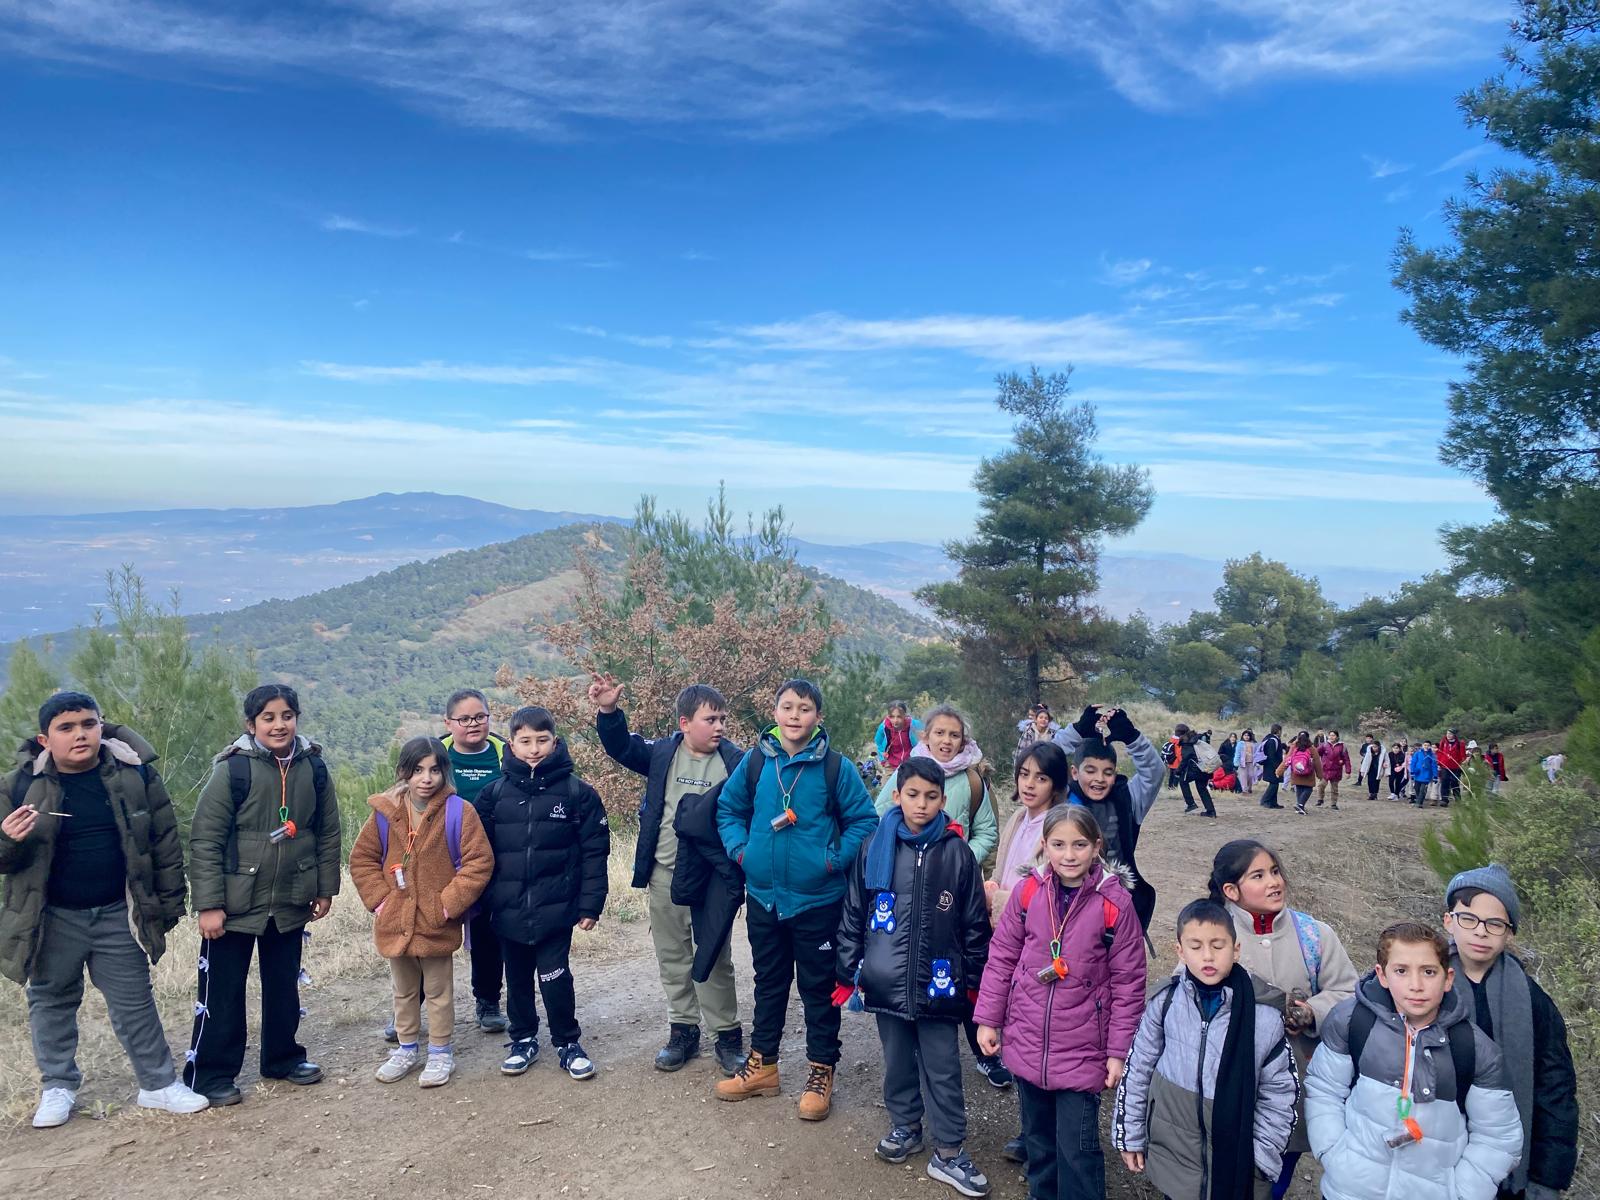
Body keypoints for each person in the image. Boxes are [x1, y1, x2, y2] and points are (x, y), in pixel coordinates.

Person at [1, 693, 207, 1129]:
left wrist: (169, 904)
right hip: (52, 916)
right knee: (51, 1000)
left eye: (88, 724)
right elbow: (5, 862)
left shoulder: (135, 775)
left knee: (135, 1001)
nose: (80, 734)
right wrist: (8, 840)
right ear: (45, 739)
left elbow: (165, 843)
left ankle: (157, 1084)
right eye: (67, 727)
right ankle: (57, 1086)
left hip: (119, 911)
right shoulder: (18, 785)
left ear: (101, 726)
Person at [715, 678, 877, 1120]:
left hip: (817, 900)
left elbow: (864, 820)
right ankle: (763, 1066)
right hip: (764, 897)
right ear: (775, 711)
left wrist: (833, 860)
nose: (794, 715)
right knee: (768, 983)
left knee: (819, 989)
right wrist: (741, 852)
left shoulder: (835, 768)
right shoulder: (754, 763)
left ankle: (821, 1070)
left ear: (817, 717)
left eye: (804, 709)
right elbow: (728, 811)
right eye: (787, 706)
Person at [836, 757, 993, 1197]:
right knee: (897, 1062)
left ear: (944, 800)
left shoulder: (957, 852)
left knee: (943, 1067)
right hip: (885, 980)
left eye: (931, 796)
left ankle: (949, 1150)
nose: (920, 805)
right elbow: (854, 911)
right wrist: (851, 969)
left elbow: (974, 925)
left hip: (941, 983)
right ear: (897, 795)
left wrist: (977, 982)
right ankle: (906, 1126)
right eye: (912, 795)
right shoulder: (874, 845)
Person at [974, 805, 1147, 1200]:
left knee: (1078, 1148)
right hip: (1027, 1039)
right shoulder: (1027, 892)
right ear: (1044, 845)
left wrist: (1118, 1052)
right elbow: (1001, 958)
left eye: (1080, 844)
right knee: (1038, 1141)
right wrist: (988, 1019)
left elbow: (1129, 984)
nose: (1069, 855)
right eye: (1059, 844)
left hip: (1085, 1051)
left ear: (1096, 846)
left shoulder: (1114, 906)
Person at [185, 684, 340, 1107]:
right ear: (250, 724)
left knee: (283, 985)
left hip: (292, 895)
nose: (279, 724)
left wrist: (325, 887)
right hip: (235, 902)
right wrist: (209, 905)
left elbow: (327, 832)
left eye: (286, 715)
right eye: (268, 717)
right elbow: (206, 840)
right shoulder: (232, 770)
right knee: (223, 991)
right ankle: (211, 1075)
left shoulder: (313, 768)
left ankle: (283, 1058)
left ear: (297, 718)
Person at [590, 674, 748, 1075]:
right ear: (684, 723)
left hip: (712, 879)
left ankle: (727, 1036)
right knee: (673, 956)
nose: (719, 727)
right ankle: (683, 1033)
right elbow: (621, 747)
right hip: (664, 874)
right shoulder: (662, 753)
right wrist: (608, 710)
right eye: (710, 719)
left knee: (714, 957)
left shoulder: (738, 761)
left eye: (722, 720)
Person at [1304, 921, 1523, 1200]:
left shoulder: (1474, 1048)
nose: (1416, 985)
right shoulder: (1353, 1022)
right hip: (1349, 1190)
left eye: (1429, 972)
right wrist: (1333, 1152)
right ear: (1382, 975)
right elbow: (1324, 1090)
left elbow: (1497, 1136)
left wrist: (1462, 1193)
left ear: (1448, 978)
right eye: (1401, 971)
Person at [1113, 898, 1300, 1200]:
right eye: (1196, 946)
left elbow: (1279, 1093)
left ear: (1236, 949)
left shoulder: (1262, 1016)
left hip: (1235, 1159)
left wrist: (1262, 1156)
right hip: (1174, 1149)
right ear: (1180, 951)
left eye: (1218, 945)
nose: (1208, 956)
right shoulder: (1165, 1003)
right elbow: (1138, 1069)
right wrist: (1130, 1133)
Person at [1211, 839, 1360, 1199]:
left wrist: (1312, 1012)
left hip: (1296, 1078)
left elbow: (1349, 994)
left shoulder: (1314, 935)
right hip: (1229, 1076)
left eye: (1275, 872)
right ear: (1231, 891)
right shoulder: (1213, 936)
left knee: (1279, 1166)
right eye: (1258, 876)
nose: (1274, 882)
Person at [475, 706, 609, 1082]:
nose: (534, 749)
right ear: (511, 743)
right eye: (525, 741)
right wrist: (480, 903)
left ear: (555, 741)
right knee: (516, 980)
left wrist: (590, 905)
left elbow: (595, 854)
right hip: (506, 910)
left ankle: (567, 1042)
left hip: (558, 909)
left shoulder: (578, 793)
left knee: (555, 976)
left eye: (542, 740)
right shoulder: (492, 796)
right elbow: (475, 856)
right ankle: (523, 1040)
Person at [349, 737, 492, 1089]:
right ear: (403, 773)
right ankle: (406, 1047)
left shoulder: (460, 812)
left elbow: (478, 862)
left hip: (436, 921)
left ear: (445, 772)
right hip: (395, 921)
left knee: (440, 991)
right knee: (404, 989)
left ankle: (441, 1052)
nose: (426, 778)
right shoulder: (385, 814)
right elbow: (362, 860)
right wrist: (382, 903)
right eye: (417, 770)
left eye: (434, 770)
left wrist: (447, 904)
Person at [873, 703, 1003, 1088]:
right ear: (924, 736)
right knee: (916, 964)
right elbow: (880, 819)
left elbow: (987, 833)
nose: (947, 741)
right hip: (909, 890)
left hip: (955, 892)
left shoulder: (974, 780)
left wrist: (957, 860)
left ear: (965, 740)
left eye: (955, 735)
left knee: (962, 966)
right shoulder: (905, 774)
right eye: (940, 734)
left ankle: (985, 1051)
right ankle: (914, 1040)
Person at [1443, 865, 1578, 1200]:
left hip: (1507, 1170)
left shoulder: (1533, 1001)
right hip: (1433, 1159)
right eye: (1469, 918)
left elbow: (1555, 1088)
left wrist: (1548, 1178)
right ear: (1449, 921)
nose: (1481, 932)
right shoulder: (1421, 984)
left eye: (1495, 924)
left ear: (1509, 932)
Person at [1054, 704, 1164, 931]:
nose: (1099, 779)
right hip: (1064, 904)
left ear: (1115, 773)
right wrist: (1076, 731)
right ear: (1075, 772)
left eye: (1107, 772)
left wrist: (1132, 738)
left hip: (1118, 905)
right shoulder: (1059, 799)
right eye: (1090, 770)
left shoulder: (1128, 799)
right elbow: (1037, 762)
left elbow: (1154, 772)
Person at [439, 688, 509, 1035]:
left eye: (480, 716)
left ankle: (488, 1002)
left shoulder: (504, 753)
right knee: (431, 933)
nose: (473, 724)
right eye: (464, 719)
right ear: (448, 722)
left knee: (487, 934)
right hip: (440, 862)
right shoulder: (436, 755)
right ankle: (412, 1006)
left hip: (491, 861)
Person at [1168, 723, 1217, 818]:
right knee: (1202, 788)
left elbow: (1186, 758)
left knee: (1183, 781)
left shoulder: (1186, 742)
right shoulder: (1196, 738)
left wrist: (1178, 771)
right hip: (1206, 767)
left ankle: (1191, 803)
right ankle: (1211, 811)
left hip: (1197, 769)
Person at [1278, 731, 1322, 816]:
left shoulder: (1294, 747)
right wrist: (1319, 775)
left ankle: (1300, 806)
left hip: (1296, 772)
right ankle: (1300, 805)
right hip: (1308, 773)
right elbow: (1317, 762)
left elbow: (1287, 760)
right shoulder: (1311, 748)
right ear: (1308, 737)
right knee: (1308, 789)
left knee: (1299, 788)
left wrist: (1279, 771)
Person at [874, 702, 922, 772]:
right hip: (891, 765)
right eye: (892, 717)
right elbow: (878, 742)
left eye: (899, 716)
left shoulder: (914, 725)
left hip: (912, 764)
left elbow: (926, 737)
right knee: (888, 783)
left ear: (905, 715)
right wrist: (883, 758)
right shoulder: (884, 727)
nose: (895, 720)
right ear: (888, 716)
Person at [1316, 731, 1352, 811]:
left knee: (1334, 788)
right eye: (1330, 735)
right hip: (1325, 770)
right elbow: (1316, 753)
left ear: (1337, 737)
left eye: (1333, 735)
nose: (1331, 737)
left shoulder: (1342, 746)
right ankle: (1320, 799)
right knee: (1321, 785)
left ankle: (1333, 804)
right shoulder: (1324, 745)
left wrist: (1348, 771)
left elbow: (1346, 759)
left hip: (1336, 770)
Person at [1437, 729, 1468, 808]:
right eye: (1447, 733)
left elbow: (1462, 755)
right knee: (1444, 782)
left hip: (1456, 766)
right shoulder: (1443, 742)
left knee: (1455, 783)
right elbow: (1440, 753)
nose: (1448, 735)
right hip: (1445, 766)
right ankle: (1444, 800)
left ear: (1454, 735)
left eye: (1450, 734)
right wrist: (1439, 763)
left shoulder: (1460, 744)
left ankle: (1458, 800)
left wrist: (1463, 761)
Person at [1257, 724, 1285, 810]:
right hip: (1272, 766)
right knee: (1273, 784)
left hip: (1271, 765)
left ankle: (1273, 803)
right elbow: (1271, 755)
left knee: (1275, 784)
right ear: (1278, 731)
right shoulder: (1273, 740)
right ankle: (1265, 800)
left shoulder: (1270, 739)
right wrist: (1277, 767)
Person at [1409, 741, 1440, 807]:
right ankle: (1419, 799)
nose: (1426, 746)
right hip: (1418, 773)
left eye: (1428, 745)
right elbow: (1413, 762)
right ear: (1423, 745)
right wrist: (1412, 772)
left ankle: (1419, 803)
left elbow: (1434, 766)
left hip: (1427, 775)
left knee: (1423, 789)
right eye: (1425, 745)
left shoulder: (1432, 755)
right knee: (1417, 788)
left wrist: (1435, 776)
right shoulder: (1418, 753)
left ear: (1430, 746)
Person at [1357, 735, 1384, 802]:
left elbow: (1386, 761)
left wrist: (1385, 767)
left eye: (1376, 747)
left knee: (1377, 781)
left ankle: (1375, 793)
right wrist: (1362, 770)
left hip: (1378, 769)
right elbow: (1365, 761)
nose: (1374, 748)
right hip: (1370, 769)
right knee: (1370, 781)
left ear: (1379, 747)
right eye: (1373, 747)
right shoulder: (1369, 752)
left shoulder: (1382, 753)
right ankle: (1371, 793)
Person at [1237, 729, 1260, 793]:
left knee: (1250, 775)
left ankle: (1249, 788)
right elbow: (1237, 753)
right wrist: (1236, 761)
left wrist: (1257, 761)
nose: (1246, 737)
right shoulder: (1240, 743)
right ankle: (1244, 790)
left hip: (1251, 762)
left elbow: (1256, 753)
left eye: (1248, 735)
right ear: (1242, 736)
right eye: (1245, 735)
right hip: (1242, 762)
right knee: (1243, 776)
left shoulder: (1253, 744)